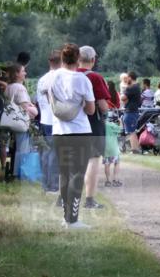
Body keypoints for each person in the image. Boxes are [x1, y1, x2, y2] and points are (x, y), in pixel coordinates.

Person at [51, 44, 96, 228]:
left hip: (59, 131)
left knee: (64, 174)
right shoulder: (82, 79)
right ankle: (73, 219)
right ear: (78, 59)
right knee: (77, 175)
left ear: (62, 59)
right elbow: (91, 109)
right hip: (79, 131)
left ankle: (65, 217)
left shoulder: (53, 77)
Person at [75, 47, 111, 210]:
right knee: (93, 160)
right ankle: (89, 199)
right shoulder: (95, 77)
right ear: (93, 59)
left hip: (71, 123)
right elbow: (103, 106)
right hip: (92, 123)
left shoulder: (69, 76)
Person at [2, 62, 38, 182]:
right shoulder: (20, 88)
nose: (25, 73)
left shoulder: (8, 87)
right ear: (17, 74)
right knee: (23, 148)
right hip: (20, 122)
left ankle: (14, 172)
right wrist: (33, 109)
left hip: (10, 121)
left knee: (16, 148)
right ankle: (21, 174)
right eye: (23, 71)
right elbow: (24, 107)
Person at [35, 50, 62, 193]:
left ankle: (45, 183)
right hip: (56, 120)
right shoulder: (60, 77)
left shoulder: (42, 79)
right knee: (55, 153)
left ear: (49, 62)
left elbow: (39, 101)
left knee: (45, 152)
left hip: (44, 119)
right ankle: (53, 185)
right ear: (62, 62)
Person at [122, 72, 142, 153]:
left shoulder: (131, 88)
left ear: (130, 77)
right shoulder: (137, 87)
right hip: (134, 111)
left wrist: (123, 93)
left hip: (130, 111)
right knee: (132, 131)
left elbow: (123, 98)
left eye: (127, 77)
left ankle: (134, 150)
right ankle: (136, 148)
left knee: (131, 132)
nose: (126, 79)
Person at [103, 112, 122, 187]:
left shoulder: (101, 125)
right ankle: (115, 180)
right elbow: (120, 130)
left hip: (105, 148)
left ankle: (108, 181)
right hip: (113, 148)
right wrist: (120, 122)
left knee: (107, 164)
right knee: (116, 163)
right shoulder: (111, 125)